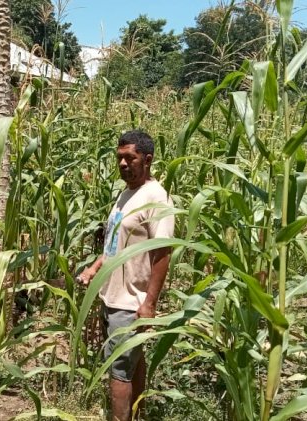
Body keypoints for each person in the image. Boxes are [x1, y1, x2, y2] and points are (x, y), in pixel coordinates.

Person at [77, 130, 175, 421]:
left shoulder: (156, 197)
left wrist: (150, 303)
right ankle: (139, 414)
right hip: (113, 294)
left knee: (118, 371)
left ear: (147, 160)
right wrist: (95, 269)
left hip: (131, 301)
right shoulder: (126, 194)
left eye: (129, 158)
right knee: (134, 363)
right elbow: (112, 243)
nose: (122, 163)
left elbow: (163, 251)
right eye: (119, 157)